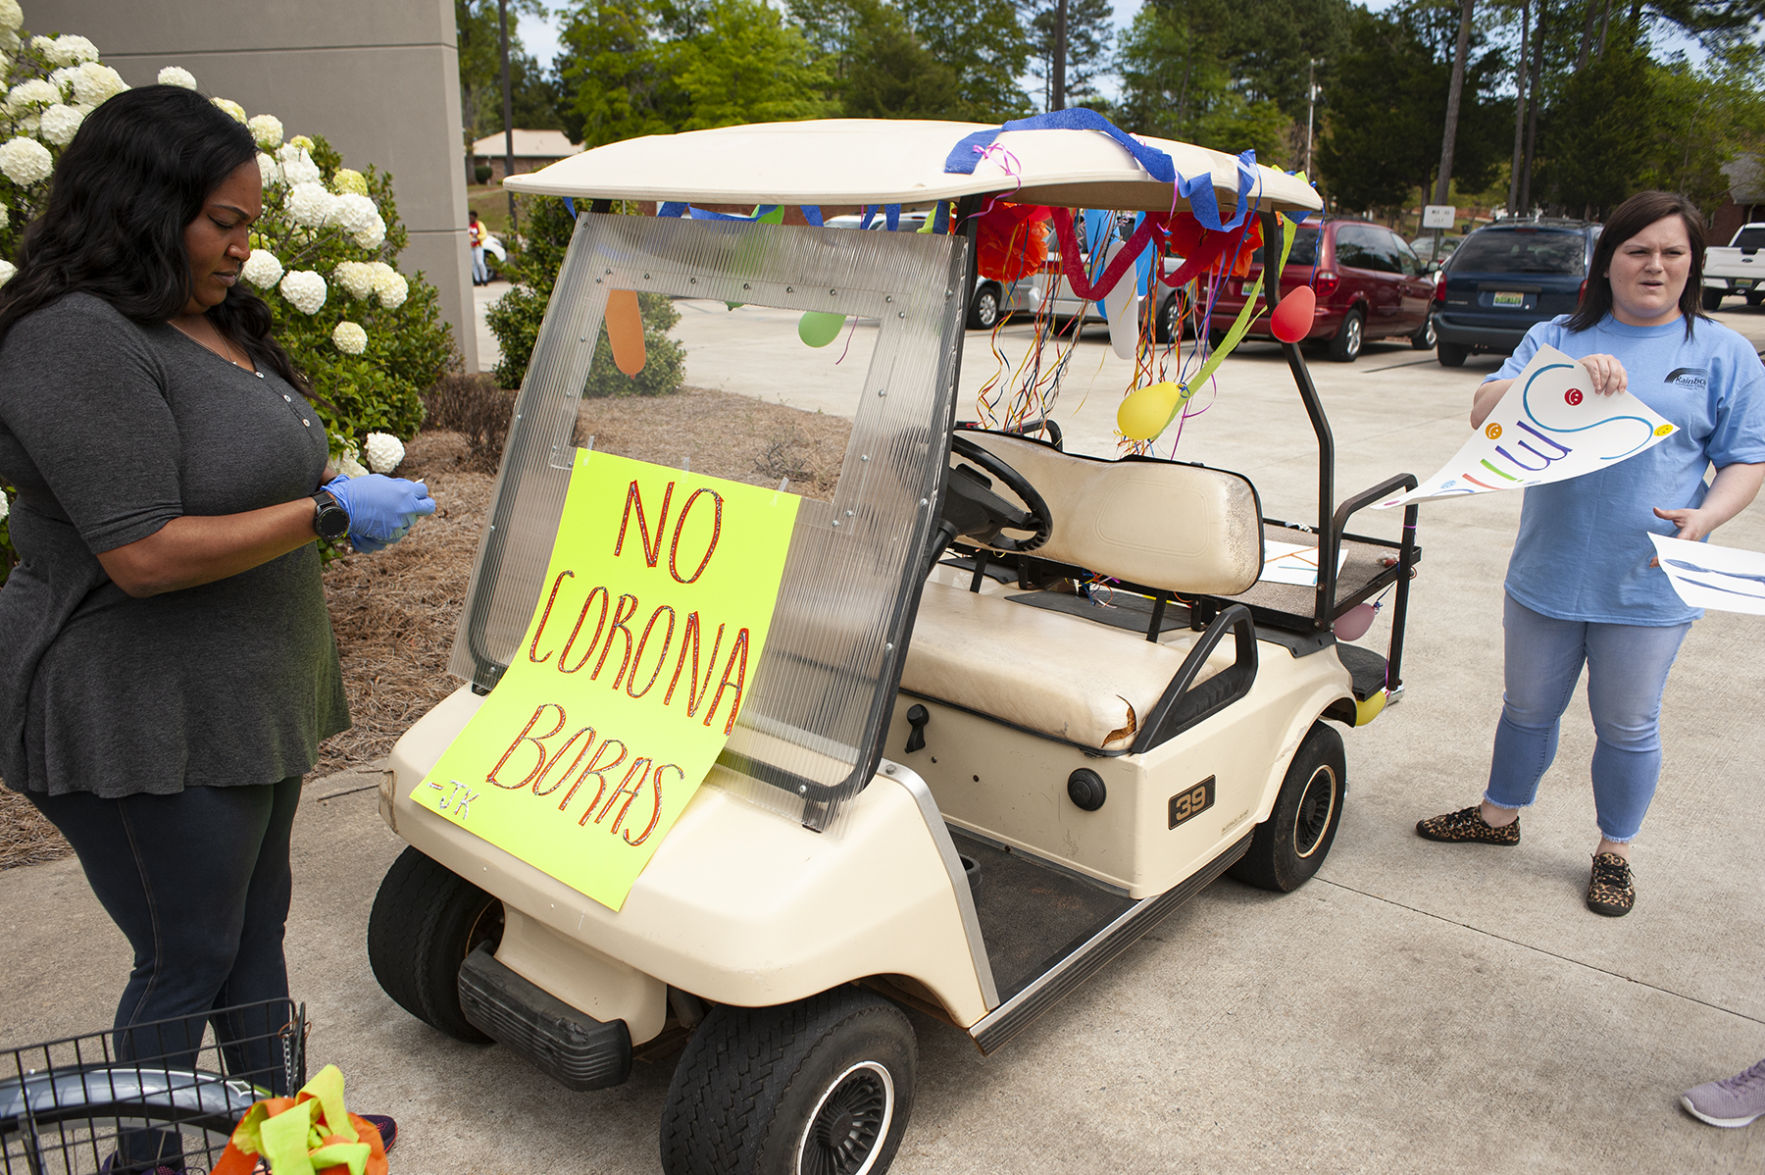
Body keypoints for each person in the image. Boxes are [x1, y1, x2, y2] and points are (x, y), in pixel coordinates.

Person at [0, 86, 430, 1170]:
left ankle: (281, 1143)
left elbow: (246, 466)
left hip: (242, 698)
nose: (243, 245)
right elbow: (140, 552)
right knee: (186, 952)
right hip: (141, 709)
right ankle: (139, 1161)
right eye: (224, 223)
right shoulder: (72, 341)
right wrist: (326, 512)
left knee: (253, 938)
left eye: (251, 225)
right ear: (142, 206)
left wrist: (326, 485)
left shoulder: (209, 316)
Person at [1415, 190, 1765, 917]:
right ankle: (1497, 816)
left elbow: (1744, 459)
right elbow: (1483, 410)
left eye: (1672, 251)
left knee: (1627, 723)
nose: (1654, 264)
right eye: (1637, 250)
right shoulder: (1556, 337)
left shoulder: (1724, 352)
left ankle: (1613, 851)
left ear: (1692, 263)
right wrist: (1559, 380)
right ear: (1607, 262)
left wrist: (1707, 514)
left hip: (1645, 582)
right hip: (1546, 570)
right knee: (1526, 707)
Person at [469, 208, 488, 286]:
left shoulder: (479, 224)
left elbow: (484, 235)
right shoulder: (468, 226)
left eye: (471, 217)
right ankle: (477, 279)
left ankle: (484, 278)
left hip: (478, 246)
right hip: (471, 247)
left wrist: (477, 237)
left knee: (480, 262)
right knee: (473, 264)